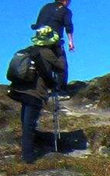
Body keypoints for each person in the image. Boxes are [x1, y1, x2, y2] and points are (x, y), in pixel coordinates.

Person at [6, 26, 67, 164]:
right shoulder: (47, 53)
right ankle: (28, 157)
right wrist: (60, 52)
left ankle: (27, 152)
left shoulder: (29, 50)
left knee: (26, 123)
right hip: (35, 93)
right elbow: (61, 68)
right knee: (29, 125)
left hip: (21, 91)